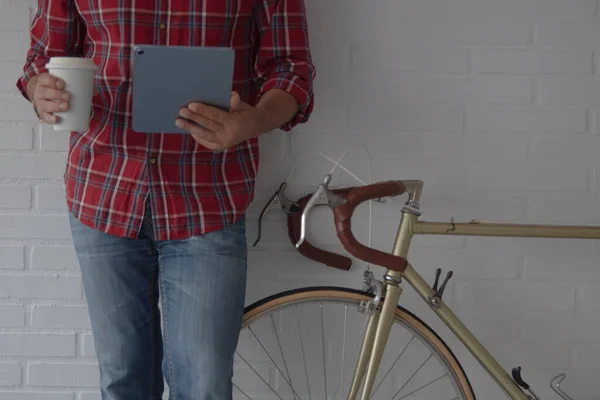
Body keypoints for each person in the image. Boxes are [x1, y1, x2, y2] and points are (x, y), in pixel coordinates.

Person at [16, 0, 315, 398]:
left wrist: (253, 121)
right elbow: (44, 57)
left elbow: (291, 68)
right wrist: (42, 91)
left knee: (203, 385)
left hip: (208, 194)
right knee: (123, 381)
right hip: (104, 190)